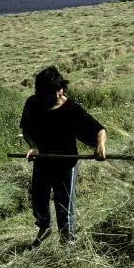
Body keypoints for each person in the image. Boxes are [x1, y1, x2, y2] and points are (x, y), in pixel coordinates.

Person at [20, 66, 107, 249]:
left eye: (61, 92)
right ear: (42, 93)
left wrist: (100, 145)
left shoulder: (72, 110)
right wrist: (34, 147)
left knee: (64, 206)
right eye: (54, 94)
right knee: (38, 200)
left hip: (66, 164)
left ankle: (68, 243)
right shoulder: (33, 104)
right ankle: (44, 228)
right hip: (43, 161)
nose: (59, 97)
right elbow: (26, 129)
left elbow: (99, 130)